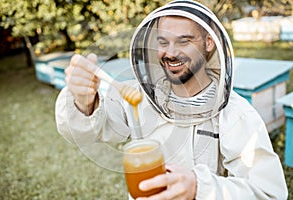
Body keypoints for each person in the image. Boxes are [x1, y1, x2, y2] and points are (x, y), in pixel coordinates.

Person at [55, 1, 288, 199]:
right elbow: (89, 132)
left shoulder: (235, 113)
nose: (171, 52)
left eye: (184, 41)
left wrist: (200, 187)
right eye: (163, 42)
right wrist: (84, 103)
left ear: (208, 43)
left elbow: (268, 192)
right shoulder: (139, 96)